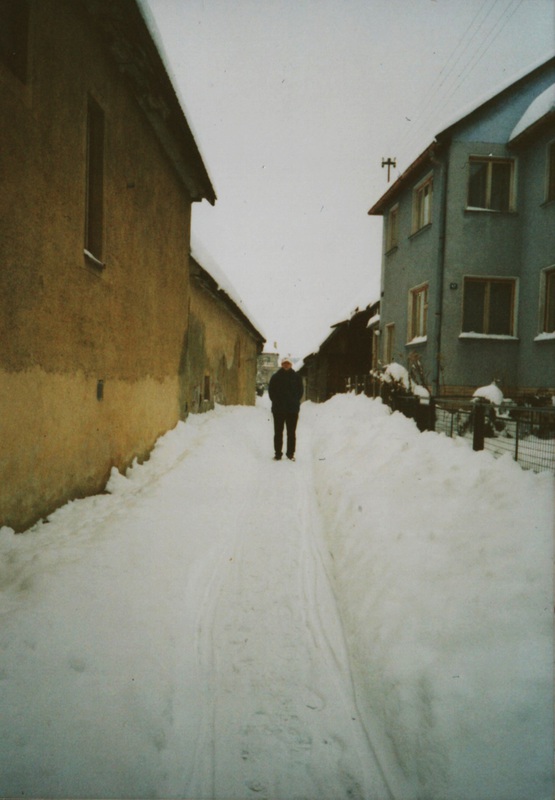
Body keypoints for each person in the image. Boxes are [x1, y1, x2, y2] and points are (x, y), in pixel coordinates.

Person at [268, 356, 304, 461]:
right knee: (278, 432)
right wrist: (276, 402)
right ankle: (278, 454)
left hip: (292, 410)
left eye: (288, 363)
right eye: (284, 363)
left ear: (291, 364)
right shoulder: (275, 377)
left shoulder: (297, 377)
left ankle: (290, 454)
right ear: (281, 364)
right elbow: (271, 392)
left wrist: (294, 402)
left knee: (291, 433)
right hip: (278, 410)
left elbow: (300, 392)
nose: (286, 365)